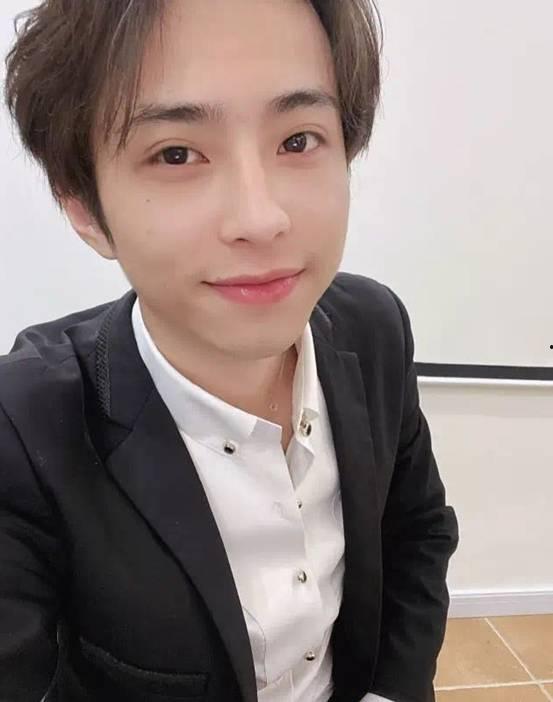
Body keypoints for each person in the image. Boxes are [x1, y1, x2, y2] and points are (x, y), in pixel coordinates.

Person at [0, 1, 459, 700]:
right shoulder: (23, 430)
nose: (261, 218)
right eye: (176, 154)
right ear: (84, 209)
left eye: (298, 140)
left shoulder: (374, 328)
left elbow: (416, 529)